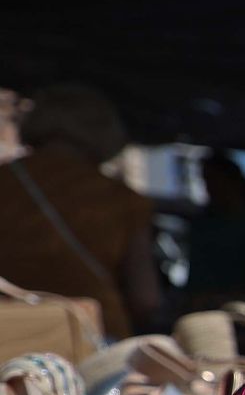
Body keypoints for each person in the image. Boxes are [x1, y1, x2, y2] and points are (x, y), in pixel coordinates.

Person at [0, 84, 160, 338]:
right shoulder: (123, 200)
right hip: (93, 335)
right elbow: (145, 298)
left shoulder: (5, 181)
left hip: (11, 332)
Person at [185, 151, 245, 311]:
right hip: (205, 305)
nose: (209, 188)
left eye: (213, 180)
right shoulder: (203, 225)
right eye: (205, 181)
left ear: (232, 181)